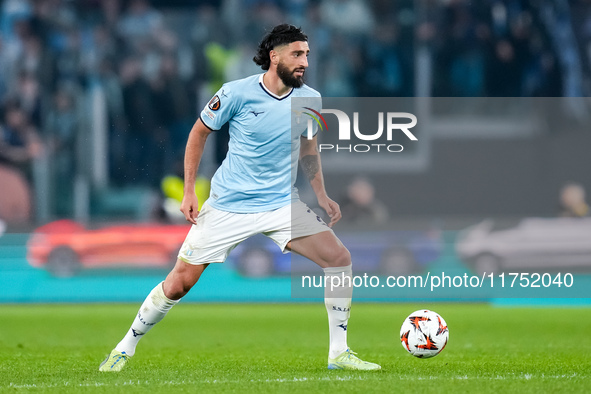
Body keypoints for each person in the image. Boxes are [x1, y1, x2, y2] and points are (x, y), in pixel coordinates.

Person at [99, 24, 380, 372]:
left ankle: (339, 353)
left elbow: (309, 145)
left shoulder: (311, 99)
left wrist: (321, 193)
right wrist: (189, 190)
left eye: (306, 54)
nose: (304, 61)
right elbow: (198, 132)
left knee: (338, 258)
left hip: (281, 204)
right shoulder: (235, 93)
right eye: (297, 54)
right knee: (178, 284)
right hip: (229, 205)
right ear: (274, 56)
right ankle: (125, 348)